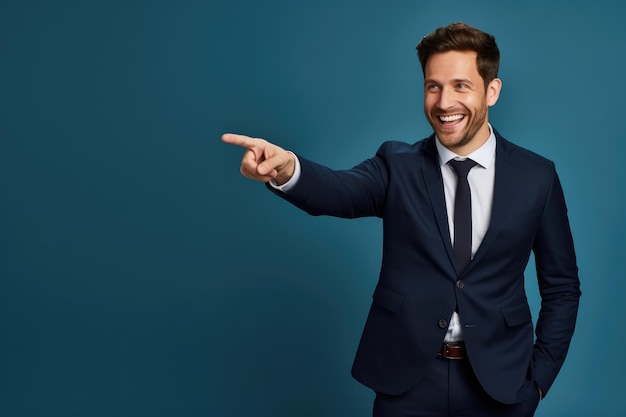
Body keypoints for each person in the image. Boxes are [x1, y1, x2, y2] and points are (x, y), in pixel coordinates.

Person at [222, 22, 580, 417]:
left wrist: (540, 379)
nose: (444, 102)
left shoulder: (537, 176)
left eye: (461, 85)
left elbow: (562, 286)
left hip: (502, 385)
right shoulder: (396, 165)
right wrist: (288, 168)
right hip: (408, 383)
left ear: (491, 90)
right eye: (433, 86)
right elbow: (338, 191)